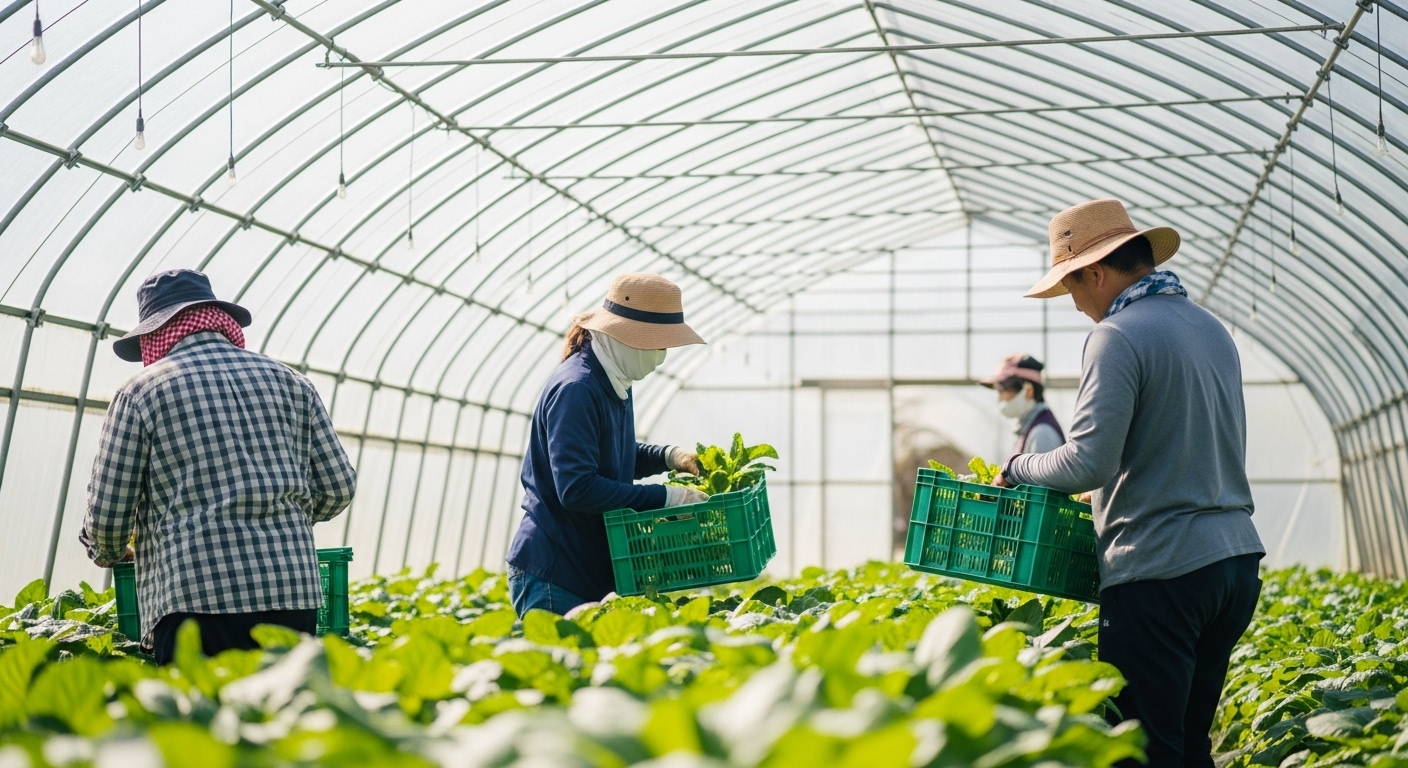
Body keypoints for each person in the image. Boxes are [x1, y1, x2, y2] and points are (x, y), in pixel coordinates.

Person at [995, 199, 1264, 768]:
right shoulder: (1211, 329)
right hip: (1235, 565)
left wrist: (1017, 470)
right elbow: (1180, 445)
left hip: (1162, 571)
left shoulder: (1117, 335)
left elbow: (1086, 463)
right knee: (1191, 744)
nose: (1075, 303)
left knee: (1145, 750)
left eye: (1071, 286)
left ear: (1095, 271)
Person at [81, 269, 355, 665]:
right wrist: (283, 517)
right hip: (292, 593)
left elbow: (108, 518)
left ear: (155, 334)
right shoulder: (293, 383)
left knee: (206, 720)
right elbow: (339, 487)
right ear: (220, 320)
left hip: (195, 602)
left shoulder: (141, 392)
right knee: (285, 717)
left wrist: (110, 551)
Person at [506, 273, 709, 616]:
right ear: (623, 336)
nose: (661, 354)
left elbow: (615, 454)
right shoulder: (577, 389)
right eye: (656, 342)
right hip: (556, 572)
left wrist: (669, 457)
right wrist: (666, 497)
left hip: (587, 568)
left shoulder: (615, 379)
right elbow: (577, 488)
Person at [979, 354, 1064, 458]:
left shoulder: (1041, 434)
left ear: (1028, 391)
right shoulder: (1029, 427)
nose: (999, 398)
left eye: (1003, 389)